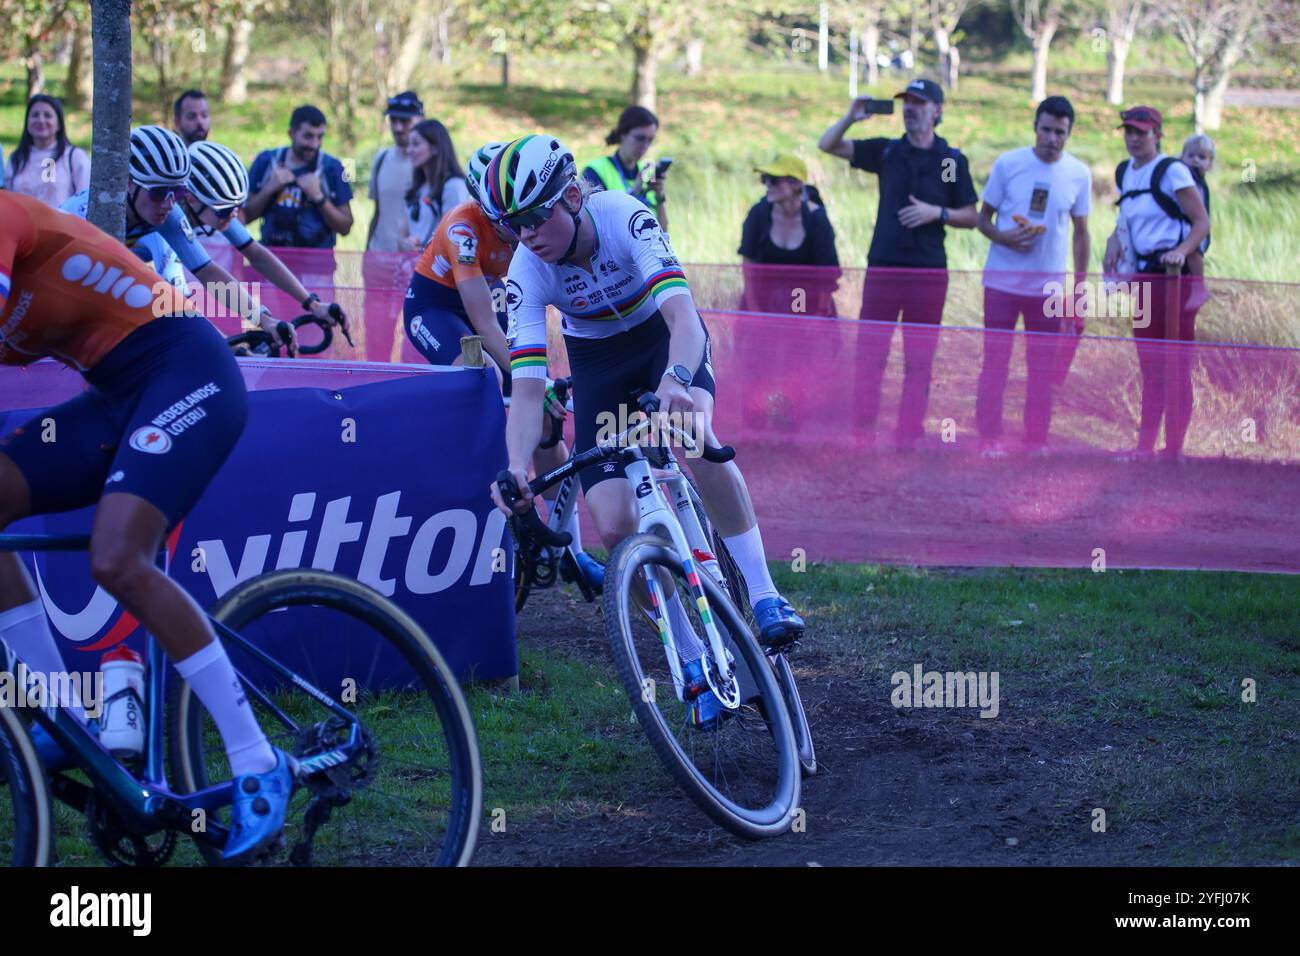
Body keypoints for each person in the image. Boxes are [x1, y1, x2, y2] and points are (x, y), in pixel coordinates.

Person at [0, 190, 293, 863]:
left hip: (185, 367)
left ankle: (258, 757)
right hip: (112, 393)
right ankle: (60, 718)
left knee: (116, 557)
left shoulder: (5, 218)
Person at [485, 135, 806, 728]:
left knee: (694, 437)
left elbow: (683, 317)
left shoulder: (624, 215)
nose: (526, 234)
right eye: (511, 224)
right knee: (612, 522)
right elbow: (528, 388)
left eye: (535, 217)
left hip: (663, 341)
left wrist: (679, 381)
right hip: (599, 365)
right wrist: (513, 466)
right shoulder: (525, 272)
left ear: (574, 197)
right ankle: (687, 655)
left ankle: (763, 595)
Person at [404, 141, 603, 587]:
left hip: (489, 303)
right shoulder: (463, 228)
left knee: (546, 416)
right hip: (436, 308)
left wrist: (541, 385)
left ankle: (569, 546)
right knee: (486, 375)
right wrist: (531, 377)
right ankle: (482, 479)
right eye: (500, 216)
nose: (514, 226)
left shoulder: (533, 224)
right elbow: (480, 323)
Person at [818, 78, 979, 449]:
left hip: (928, 274)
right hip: (884, 270)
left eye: (919, 103)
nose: (910, 109)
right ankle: (863, 435)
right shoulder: (888, 152)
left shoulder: (949, 162)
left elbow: (969, 215)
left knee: (918, 360)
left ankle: (908, 437)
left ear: (936, 111)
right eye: (906, 102)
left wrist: (934, 212)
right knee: (871, 355)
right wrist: (850, 118)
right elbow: (827, 145)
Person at [61, 126, 291, 350]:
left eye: (178, 193)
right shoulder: (83, 216)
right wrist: (224, 345)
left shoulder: (167, 213)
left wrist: (262, 319)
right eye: (159, 193)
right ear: (128, 184)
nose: (169, 203)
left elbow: (206, 274)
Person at [975, 95, 1092, 454]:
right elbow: (982, 219)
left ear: (1069, 134)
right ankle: (989, 438)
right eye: (1046, 130)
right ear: (1035, 127)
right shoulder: (1009, 164)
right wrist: (1003, 236)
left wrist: (1080, 286)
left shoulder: (1079, 173)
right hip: (1001, 283)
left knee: (1041, 368)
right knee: (996, 362)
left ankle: (1035, 441)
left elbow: (1081, 232)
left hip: (1048, 290)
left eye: (1060, 132)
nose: (1052, 138)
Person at [1102, 106, 1210, 461]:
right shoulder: (1126, 172)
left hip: (1174, 278)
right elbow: (1128, 219)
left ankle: (1174, 450)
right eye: (1129, 132)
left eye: (1141, 132)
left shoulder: (1172, 171)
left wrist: (1181, 251)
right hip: (1144, 278)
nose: (1134, 138)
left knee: (1176, 365)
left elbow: (1200, 222)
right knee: (1150, 365)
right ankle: (1145, 447)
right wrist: (1114, 240)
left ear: (1157, 135)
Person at [183, 140, 350, 336]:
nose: (233, 218)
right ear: (191, 199)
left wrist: (312, 304)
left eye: (236, 208)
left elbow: (257, 255)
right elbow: (198, 283)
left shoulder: (219, 213)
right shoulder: (166, 221)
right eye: (225, 210)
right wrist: (258, 323)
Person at [738, 153, 840, 317]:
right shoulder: (758, 214)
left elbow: (827, 273)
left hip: (802, 297)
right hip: (764, 298)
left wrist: (820, 313)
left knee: (797, 336)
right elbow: (747, 263)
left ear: (796, 184)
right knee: (762, 341)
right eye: (765, 178)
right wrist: (753, 308)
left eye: (774, 179)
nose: (768, 185)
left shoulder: (816, 220)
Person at [243, 105, 354, 249]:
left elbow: (345, 227)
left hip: (316, 264)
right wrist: (268, 189)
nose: (314, 144)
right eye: (308, 136)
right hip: (271, 260)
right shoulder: (265, 162)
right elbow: (244, 217)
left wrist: (319, 199)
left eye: (320, 137)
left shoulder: (334, 168)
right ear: (291, 133)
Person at [581, 106, 671, 233]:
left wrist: (660, 197)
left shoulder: (646, 172)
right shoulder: (596, 170)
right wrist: (634, 192)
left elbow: (663, 232)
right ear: (623, 134)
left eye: (650, 140)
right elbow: (593, 226)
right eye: (640, 138)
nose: (645, 146)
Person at [4, 94, 90, 208]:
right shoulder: (16, 159)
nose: (41, 120)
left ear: (59, 124)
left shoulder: (75, 157)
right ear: (27, 122)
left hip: (63, 225)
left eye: (47, 115)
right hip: (23, 225)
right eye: (35, 115)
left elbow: (84, 201)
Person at [401, 119, 469, 252]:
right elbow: (402, 234)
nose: (409, 150)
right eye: (409, 144)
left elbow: (454, 237)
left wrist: (422, 250)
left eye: (416, 144)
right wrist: (406, 244)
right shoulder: (417, 188)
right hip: (411, 267)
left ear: (435, 148)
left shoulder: (453, 186)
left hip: (436, 270)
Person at [366, 91, 423, 253]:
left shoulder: (429, 166)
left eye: (405, 121)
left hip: (412, 262)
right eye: (393, 120)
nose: (398, 127)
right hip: (378, 257)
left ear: (420, 120)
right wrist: (366, 254)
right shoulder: (381, 158)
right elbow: (377, 213)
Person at [1180, 133, 1214, 263]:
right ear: (1182, 157)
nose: (1196, 160)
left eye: (1202, 157)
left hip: (1198, 236)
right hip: (1184, 236)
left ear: (1210, 163)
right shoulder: (1183, 181)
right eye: (1191, 155)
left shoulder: (1201, 184)